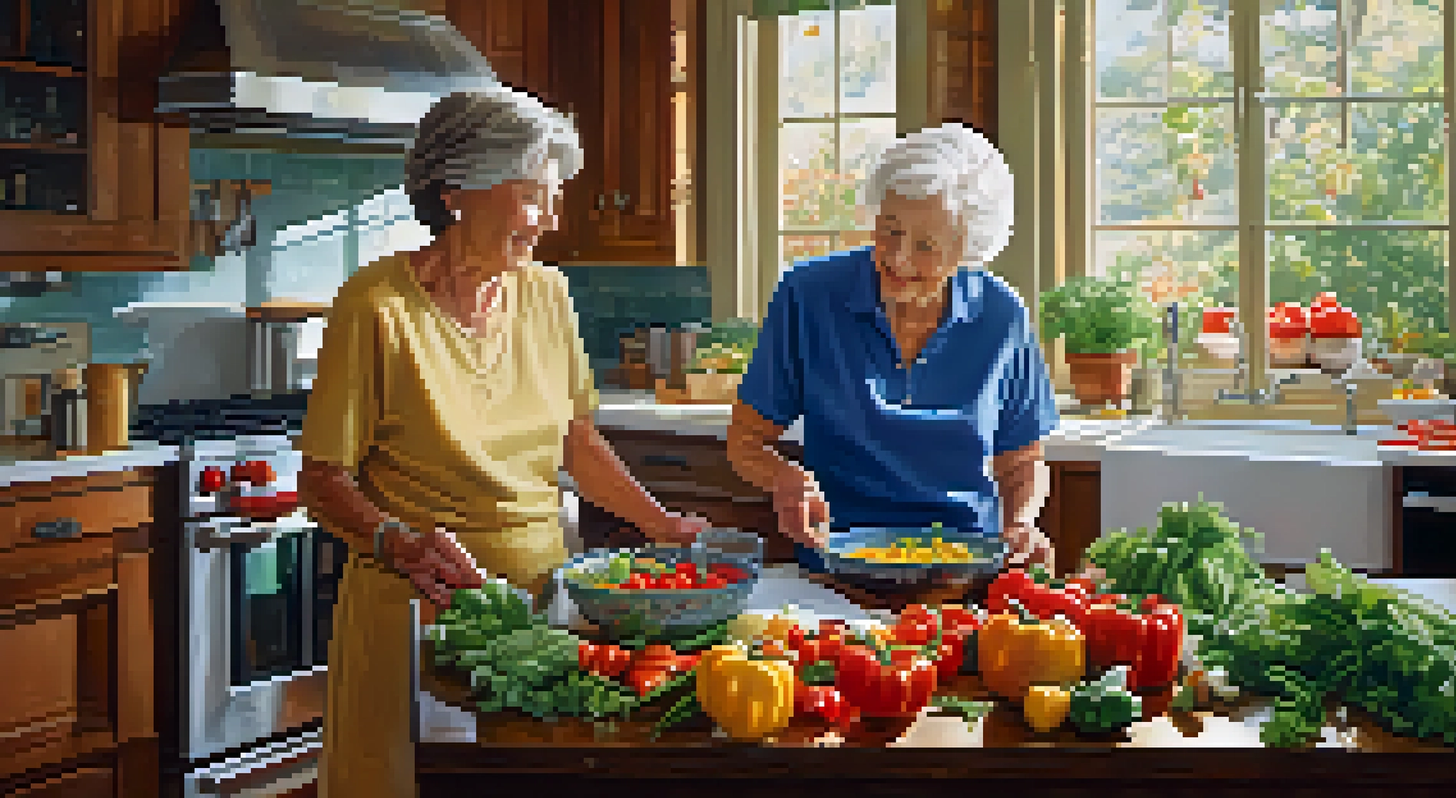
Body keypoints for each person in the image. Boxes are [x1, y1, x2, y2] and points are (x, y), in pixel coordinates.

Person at [298, 88, 706, 798]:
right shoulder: (375, 305)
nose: (550, 220)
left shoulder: (548, 294)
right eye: (532, 197)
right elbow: (323, 479)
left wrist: (661, 523)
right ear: (457, 191)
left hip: (536, 611)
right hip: (413, 617)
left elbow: (577, 445)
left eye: (553, 198)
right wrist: (398, 540)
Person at [726, 123, 1059, 575]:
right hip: (837, 567)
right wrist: (786, 478)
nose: (898, 259)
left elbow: (1022, 460)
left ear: (968, 246)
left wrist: (1022, 523)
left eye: (925, 245)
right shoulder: (807, 295)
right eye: (889, 230)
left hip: (962, 571)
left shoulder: (1001, 315)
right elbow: (744, 442)